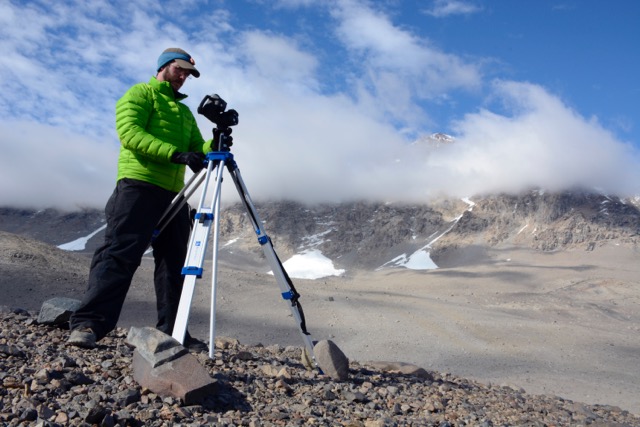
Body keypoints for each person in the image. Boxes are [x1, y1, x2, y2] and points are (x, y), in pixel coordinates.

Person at [67, 47, 211, 351]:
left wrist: (217, 139)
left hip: (175, 195)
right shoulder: (141, 94)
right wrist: (175, 154)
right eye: (179, 69)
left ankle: (175, 331)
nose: (183, 77)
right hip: (138, 186)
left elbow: (198, 148)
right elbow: (130, 133)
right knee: (119, 254)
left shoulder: (184, 113)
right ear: (163, 67)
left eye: (187, 74)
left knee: (174, 263)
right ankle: (88, 324)